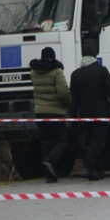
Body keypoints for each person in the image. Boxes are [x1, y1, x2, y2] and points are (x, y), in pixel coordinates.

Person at [69, 40, 110, 181]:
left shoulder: (75, 74)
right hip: (101, 114)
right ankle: (89, 166)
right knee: (99, 142)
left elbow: (74, 99)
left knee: (90, 142)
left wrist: (73, 117)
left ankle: (99, 170)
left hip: (84, 115)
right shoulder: (101, 71)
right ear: (95, 56)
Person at [30, 46, 71, 183]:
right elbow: (63, 92)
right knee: (62, 140)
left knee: (46, 142)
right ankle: (50, 161)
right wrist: (68, 103)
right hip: (55, 111)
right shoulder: (57, 72)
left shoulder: (34, 72)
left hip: (40, 112)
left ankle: (48, 174)